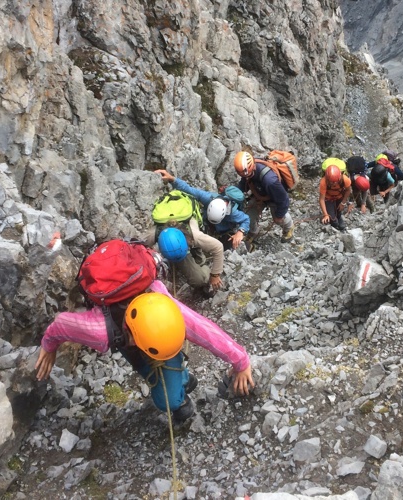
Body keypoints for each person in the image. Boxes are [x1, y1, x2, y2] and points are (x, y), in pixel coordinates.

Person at [34, 281, 255, 423]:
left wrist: (241, 363)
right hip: (124, 334)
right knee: (145, 368)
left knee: (165, 400)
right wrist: (49, 346)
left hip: (146, 322)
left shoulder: (169, 312)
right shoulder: (101, 331)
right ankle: (180, 383)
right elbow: (61, 324)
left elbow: (207, 332)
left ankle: (180, 384)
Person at [144, 190, 226, 292]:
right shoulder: (153, 234)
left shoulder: (194, 235)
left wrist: (215, 274)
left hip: (189, 234)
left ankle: (202, 263)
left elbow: (218, 247)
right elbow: (139, 248)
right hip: (172, 236)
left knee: (200, 280)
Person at [155, 170, 251, 253]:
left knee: (234, 246)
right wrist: (172, 179)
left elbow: (246, 219)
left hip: (225, 231)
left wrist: (240, 232)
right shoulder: (208, 198)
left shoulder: (233, 213)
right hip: (207, 225)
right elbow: (188, 189)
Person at [233, 151, 294, 248]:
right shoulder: (248, 173)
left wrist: (279, 215)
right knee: (248, 215)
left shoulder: (270, 180)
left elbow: (283, 199)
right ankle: (253, 232)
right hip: (259, 193)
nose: (243, 177)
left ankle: (288, 227)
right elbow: (244, 184)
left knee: (279, 219)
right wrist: (233, 192)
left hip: (274, 196)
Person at [318, 164, 352, 231]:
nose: (334, 184)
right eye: (332, 182)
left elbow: (348, 191)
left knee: (339, 211)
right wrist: (325, 214)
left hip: (339, 197)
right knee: (333, 222)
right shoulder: (323, 182)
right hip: (328, 198)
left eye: (336, 182)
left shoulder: (345, 179)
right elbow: (321, 199)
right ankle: (335, 220)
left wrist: (343, 203)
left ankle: (339, 216)